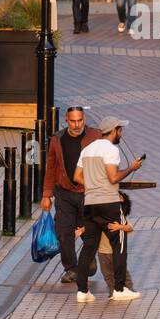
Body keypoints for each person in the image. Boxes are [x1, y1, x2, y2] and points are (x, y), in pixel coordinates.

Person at [73, 117, 144, 303]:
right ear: (114, 130)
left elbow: (77, 177)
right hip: (109, 202)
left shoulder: (87, 150)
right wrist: (132, 167)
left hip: (89, 203)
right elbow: (113, 178)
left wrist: (93, 186)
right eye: (120, 130)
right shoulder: (111, 149)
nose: (121, 133)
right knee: (119, 245)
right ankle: (119, 289)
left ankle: (82, 291)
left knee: (88, 247)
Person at [41, 107, 103, 282]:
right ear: (66, 121)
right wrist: (47, 194)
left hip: (87, 192)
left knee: (89, 230)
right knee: (63, 231)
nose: (77, 125)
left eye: (80, 120)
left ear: (84, 119)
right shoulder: (57, 139)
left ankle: (89, 259)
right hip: (64, 193)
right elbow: (51, 167)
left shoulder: (95, 136)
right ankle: (72, 269)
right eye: (73, 121)